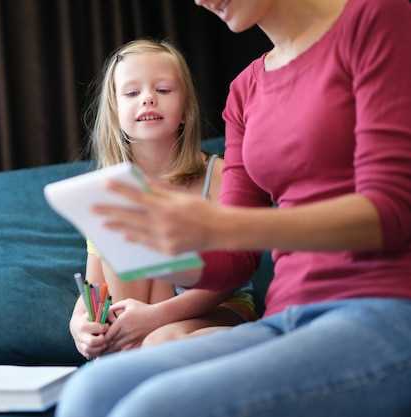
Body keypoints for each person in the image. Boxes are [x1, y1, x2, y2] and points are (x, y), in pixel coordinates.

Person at [56, 0, 411, 416]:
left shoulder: (380, 18)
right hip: (287, 316)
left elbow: (390, 212)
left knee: (153, 408)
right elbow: (235, 262)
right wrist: (157, 251)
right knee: (91, 391)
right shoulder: (245, 91)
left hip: (384, 307)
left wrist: (220, 224)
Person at [69, 39, 257, 360]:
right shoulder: (106, 192)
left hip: (217, 308)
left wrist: (156, 318)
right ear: (115, 114)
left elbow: (231, 278)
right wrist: (80, 324)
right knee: (118, 216)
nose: (148, 99)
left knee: (162, 341)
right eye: (131, 93)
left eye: (164, 90)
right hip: (139, 317)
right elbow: (94, 287)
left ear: (186, 110)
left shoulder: (221, 176)